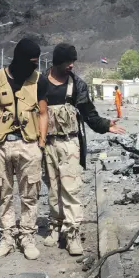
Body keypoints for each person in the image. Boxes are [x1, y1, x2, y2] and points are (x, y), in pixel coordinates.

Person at [42, 43, 125, 255]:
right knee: (52, 189)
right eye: (68, 61)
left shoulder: (77, 84)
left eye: (73, 61)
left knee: (71, 189)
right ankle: (55, 226)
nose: (71, 65)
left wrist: (106, 125)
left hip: (70, 143)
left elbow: (88, 112)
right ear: (57, 61)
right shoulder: (39, 82)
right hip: (46, 144)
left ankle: (72, 233)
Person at [0, 38, 49, 260]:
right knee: (3, 192)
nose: (33, 66)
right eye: (30, 61)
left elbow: (44, 113)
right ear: (18, 58)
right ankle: (7, 237)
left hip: (29, 144)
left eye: (36, 61)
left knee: (30, 194)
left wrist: (42, 141)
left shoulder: (39, 80)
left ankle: (27, 236)